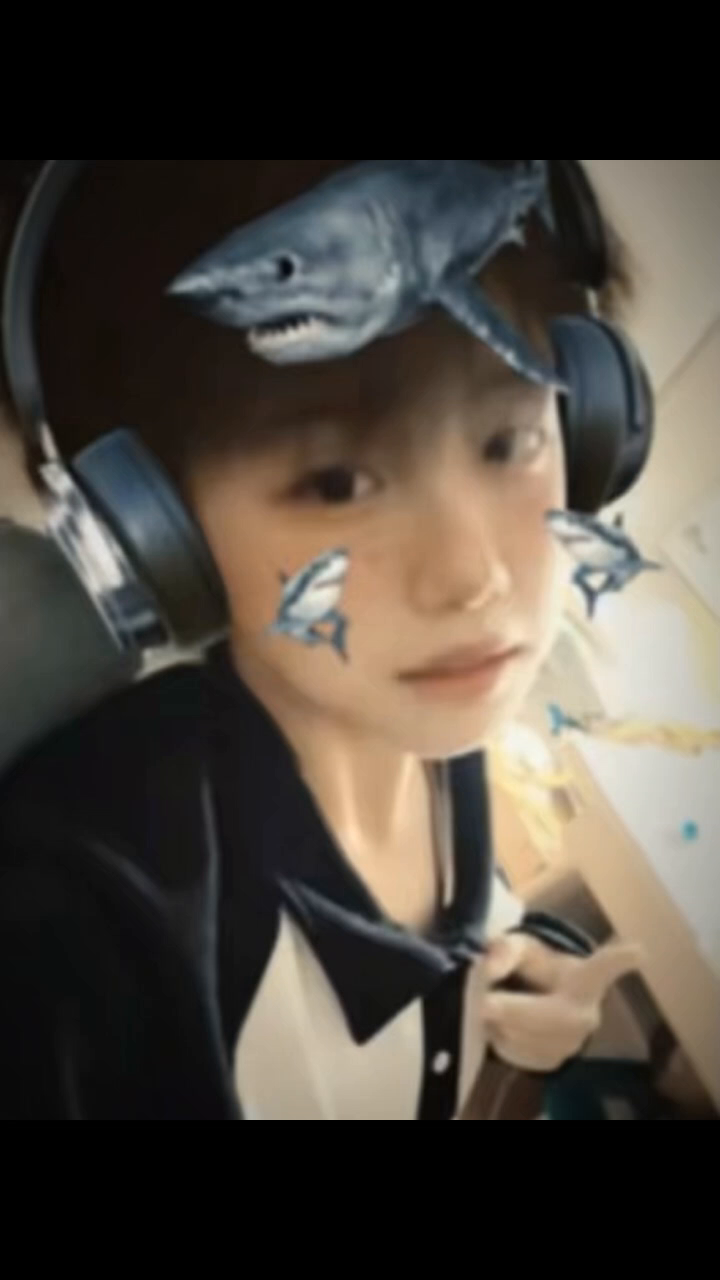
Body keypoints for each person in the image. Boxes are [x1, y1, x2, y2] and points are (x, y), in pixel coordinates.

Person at [0, 160, 643, 1121]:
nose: (473, 579)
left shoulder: (432, 735)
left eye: (509, 441)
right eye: (335, 484)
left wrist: (529, 1000)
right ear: (149, 536)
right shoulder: (81, 919)